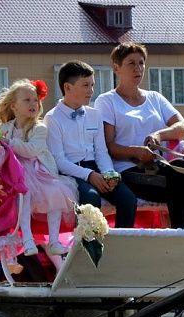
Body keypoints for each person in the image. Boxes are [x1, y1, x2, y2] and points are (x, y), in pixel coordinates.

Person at [94, 42, 184, 229]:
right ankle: (179, 234)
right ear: (116, 68)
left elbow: (183, 128)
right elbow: (109, 146)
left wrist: (158, 135)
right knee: (175, 184)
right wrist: (136, 152)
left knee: (182, 168)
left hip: (156, 168)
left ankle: (182, 233)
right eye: (131, 63)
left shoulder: (155, 98)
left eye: (141, 63)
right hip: (126, 171)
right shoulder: (106, 101)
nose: (138, 68)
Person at [0, 79, 77, 256]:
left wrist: (9, 143)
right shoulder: (6, 128)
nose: (33, 104)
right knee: (23, 195)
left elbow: (31, 150)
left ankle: (55, 241)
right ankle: (27, 239)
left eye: (35, 100)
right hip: (14, 171)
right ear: (13, 106)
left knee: (55, 195)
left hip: (38, 171)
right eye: (27, 100)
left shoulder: (39, 128)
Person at [46, 61, 136, 228]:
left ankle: (121, 248)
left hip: (96, 169)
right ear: (68, 87)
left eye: (92, 85)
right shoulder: (53, 118)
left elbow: (101, 151)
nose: (91, 91)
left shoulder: (94, 115)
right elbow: (59, 160)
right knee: (91, 199)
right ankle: (90, 251)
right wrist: (89, 175)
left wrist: (109, 174)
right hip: (71, 173)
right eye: (85, 85)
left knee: (128, 199)